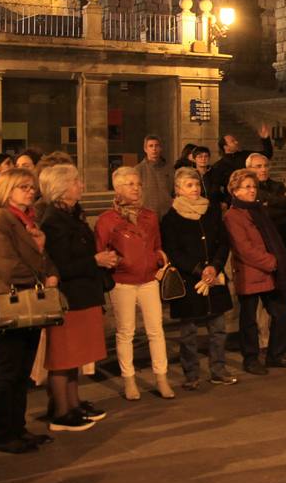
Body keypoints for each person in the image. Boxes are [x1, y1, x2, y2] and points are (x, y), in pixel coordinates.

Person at [0, 168, 57, 454]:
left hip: (31, 303)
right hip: (10, 303)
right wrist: (42, 275)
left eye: (31, 186)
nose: (30, 191)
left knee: (23, 369)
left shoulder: (29, 221)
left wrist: (51, 271)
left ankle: (17, 427)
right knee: (8, 370)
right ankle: (3, 432)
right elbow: (8, 266)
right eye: (22, 187)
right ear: (7, 190)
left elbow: (44, 257)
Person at [37, 164, 110, 430]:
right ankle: (62, 412)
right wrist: (95, 260)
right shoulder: (53, 221)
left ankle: (74, 403)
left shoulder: (72, 215)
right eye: (76, 181)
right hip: (69, 297)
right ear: (62, 187)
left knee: (76, 356)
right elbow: (61, 265)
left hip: (84, 294)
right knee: (62, 357)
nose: (81, 185)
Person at [96, 166, 174, 400]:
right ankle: (129, 379)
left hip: (149, 280)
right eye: (130, 184)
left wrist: (158, 257)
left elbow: (157, 245)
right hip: (123, 283)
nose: (136, 188)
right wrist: (117, 263)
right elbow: (101, 250)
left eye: (138, 184)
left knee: (156, 331)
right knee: (126, 332)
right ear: (117, 188)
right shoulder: (107, 220)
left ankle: (162, 377)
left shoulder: (149, 216)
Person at [161, 167, 237, 390]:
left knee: (218, 328)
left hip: (214, 278)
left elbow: (223, 242)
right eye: (189, 185)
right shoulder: (171, 218)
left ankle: (218, 369)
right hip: (189, 280)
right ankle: (191, 373)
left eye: (196, 184)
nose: (194, 189)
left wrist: (214, 267)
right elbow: (173, 251)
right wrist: (198, 271)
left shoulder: (212, 211)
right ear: (178, 189)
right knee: (189, 332)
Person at [224, 167, 286, 373]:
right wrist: (272, 261)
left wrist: (276, 262)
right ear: (235, 191)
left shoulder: (258, 210)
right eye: (246, 187)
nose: (252, 190)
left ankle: (275, 354)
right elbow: (243, 248)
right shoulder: (232, 215)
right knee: (249, 319)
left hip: (270, 271)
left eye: (254, 186)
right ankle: (251, 358)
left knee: (280, 312)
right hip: (251, 272)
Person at [205, 125, 274, 205]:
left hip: (254, 196)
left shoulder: (245, 155)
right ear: (226, 147)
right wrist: (226, 200)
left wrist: (265, 139)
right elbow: (215, 189)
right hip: (234, 202)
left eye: (236, 140)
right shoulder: (219, 166)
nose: (237, 142)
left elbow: (267, 155)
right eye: (233, 141)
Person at [137, 134, 173, 218]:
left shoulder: (169, 168)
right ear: (145, 149)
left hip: (168, 214)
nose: (154, 149)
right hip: (147, 215)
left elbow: (175, 190)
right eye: (150, 146)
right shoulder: (138, 170)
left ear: (161, 148)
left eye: (156, 146)